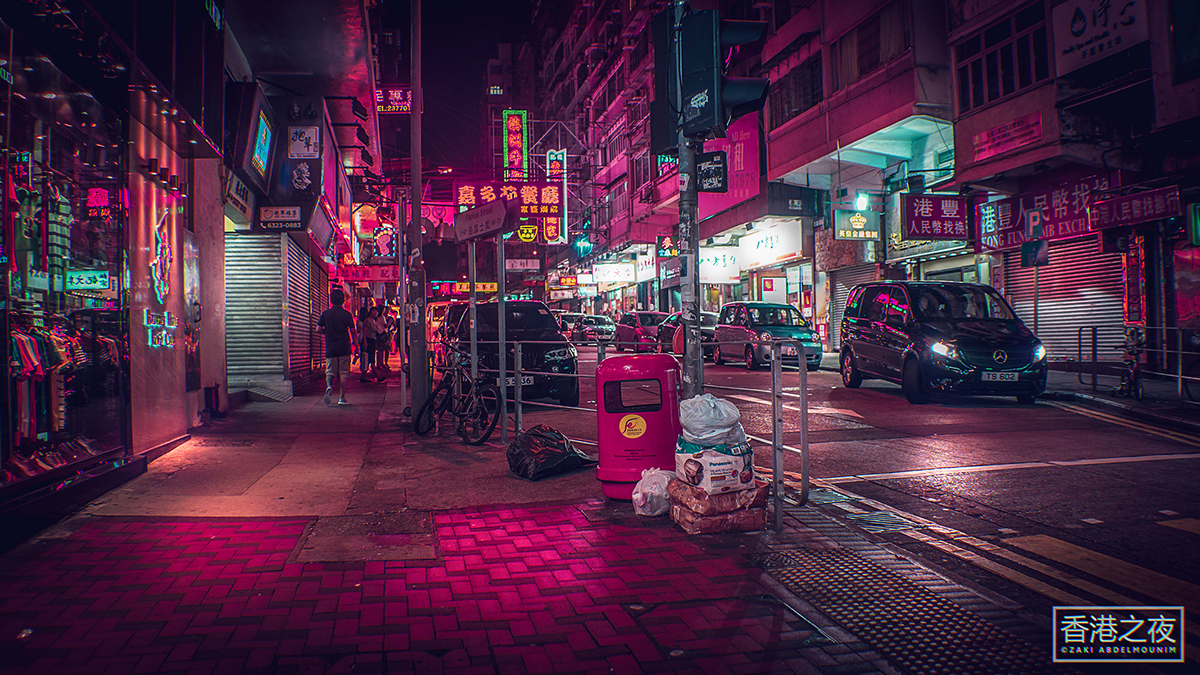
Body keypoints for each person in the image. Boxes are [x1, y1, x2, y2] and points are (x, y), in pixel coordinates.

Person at [317, 288, 355, 405]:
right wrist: (357, 345)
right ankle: (342, 399)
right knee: (344, 373)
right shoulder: (347, 314)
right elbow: (353, 331)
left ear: (331, 300)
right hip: (344, 346)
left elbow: (318, 329)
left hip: (331, 346)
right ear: (343, 301)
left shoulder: (326, 314)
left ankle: (329, 387)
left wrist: (327, 332)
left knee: (330, 371)